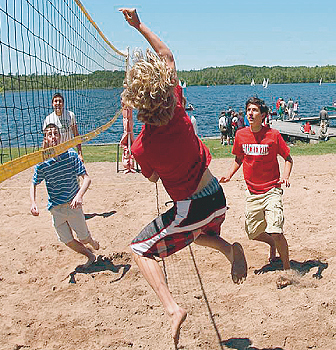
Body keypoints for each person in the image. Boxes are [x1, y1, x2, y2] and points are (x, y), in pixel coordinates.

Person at [119, 8, 247, 346]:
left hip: (192, 206)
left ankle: (172, 309)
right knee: (192, 234)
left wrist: (132, 141)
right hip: (216, 196)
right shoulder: (177, 109)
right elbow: (167, 55)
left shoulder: (142, 147)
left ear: (136, 101)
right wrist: (138, 24)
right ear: (165, 91)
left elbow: (150, 178)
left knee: (140, 250)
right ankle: (231, 250)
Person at [220, 96, 293, 270]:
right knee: (252, 233)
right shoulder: (241, 134)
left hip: (272, 190)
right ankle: (273, 244)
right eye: (249, 110)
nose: (251, 113)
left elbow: (288, 158)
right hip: (252, 192)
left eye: (255, 110)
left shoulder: (273, 135)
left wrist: (286, 176)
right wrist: (229, 175)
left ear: (263, 115)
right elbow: (239, 158)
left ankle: (287, 268)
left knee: (276, 230)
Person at [30, 123, 100, 267]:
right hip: (56, 208)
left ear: (60, 136)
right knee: (67, 240)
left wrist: (79, 196)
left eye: (56, 133)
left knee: (84, 239)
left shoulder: (71, 155)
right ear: (45, 138)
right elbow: (33, 184)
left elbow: (87, 179)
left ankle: (92, 242)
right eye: (50, 135)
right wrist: (33, 203)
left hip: (73, 205)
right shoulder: (42, 163)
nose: (53, 137)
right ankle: (90, 256)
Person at [43, 92, 83, 159]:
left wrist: (80, 153)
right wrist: (45, 156)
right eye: (56, 101)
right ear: (52, 104)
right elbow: (45, 140)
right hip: (54, 153)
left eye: (60, 101)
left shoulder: (70, 115)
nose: (58, 103)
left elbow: (76, 135)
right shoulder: (48, 119)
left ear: (63, 104)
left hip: (68, 151)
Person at [120, 101, 136, 173]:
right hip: (127, 131)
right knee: (126, 150)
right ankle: (127, 167)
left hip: (130, 131)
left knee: (131, 149)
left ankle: (131, 166)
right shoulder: (124, 108)